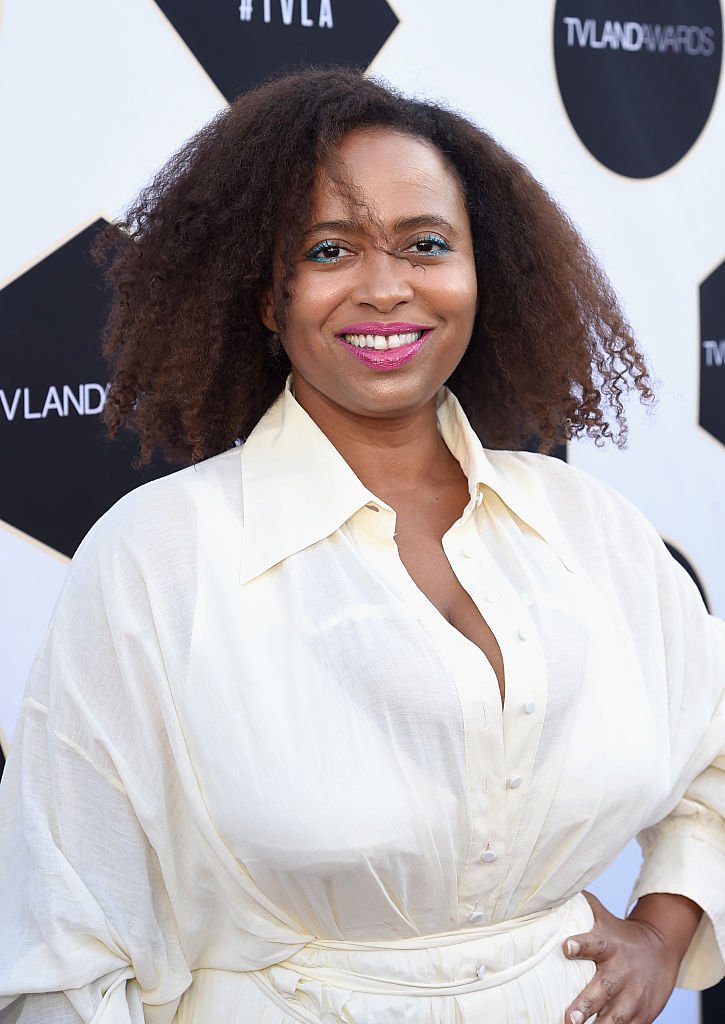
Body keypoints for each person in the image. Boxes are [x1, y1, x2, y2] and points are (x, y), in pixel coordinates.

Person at [0, 68, 723, 1024]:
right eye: (330, 249)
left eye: (426, 245)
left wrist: (662, 931)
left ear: (479, 273)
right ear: (267, 296)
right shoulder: (160, 556)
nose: (386, 288)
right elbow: (66, 930)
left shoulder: (591, 527)